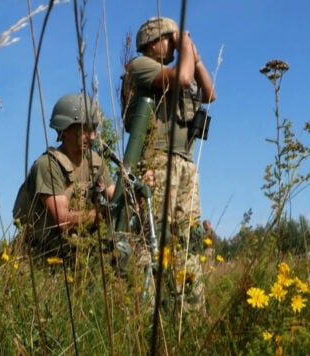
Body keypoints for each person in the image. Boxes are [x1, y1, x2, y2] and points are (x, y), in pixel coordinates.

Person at [121, 17, 217, 313]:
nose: (174, 45)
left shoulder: (182, 64)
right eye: (169, 39)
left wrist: (194, 54)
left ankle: (188, 310)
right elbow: (184, 80)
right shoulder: (140, 66)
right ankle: (146, 310)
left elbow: (209, 93)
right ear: (152, 42)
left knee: (187, 237)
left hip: (184, 163)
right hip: (157, 160)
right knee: (155, 234)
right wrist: (185, 44)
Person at [13, 93, 116, 261]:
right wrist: (101, 214)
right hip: (41, 255)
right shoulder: (48, 165)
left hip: (78, 251)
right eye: (84, 130)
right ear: (65, 130)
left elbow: (114, 194)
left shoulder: (95, 162)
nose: (91, 137)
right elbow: (63, 221)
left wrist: (132, 194)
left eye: (93, 130)